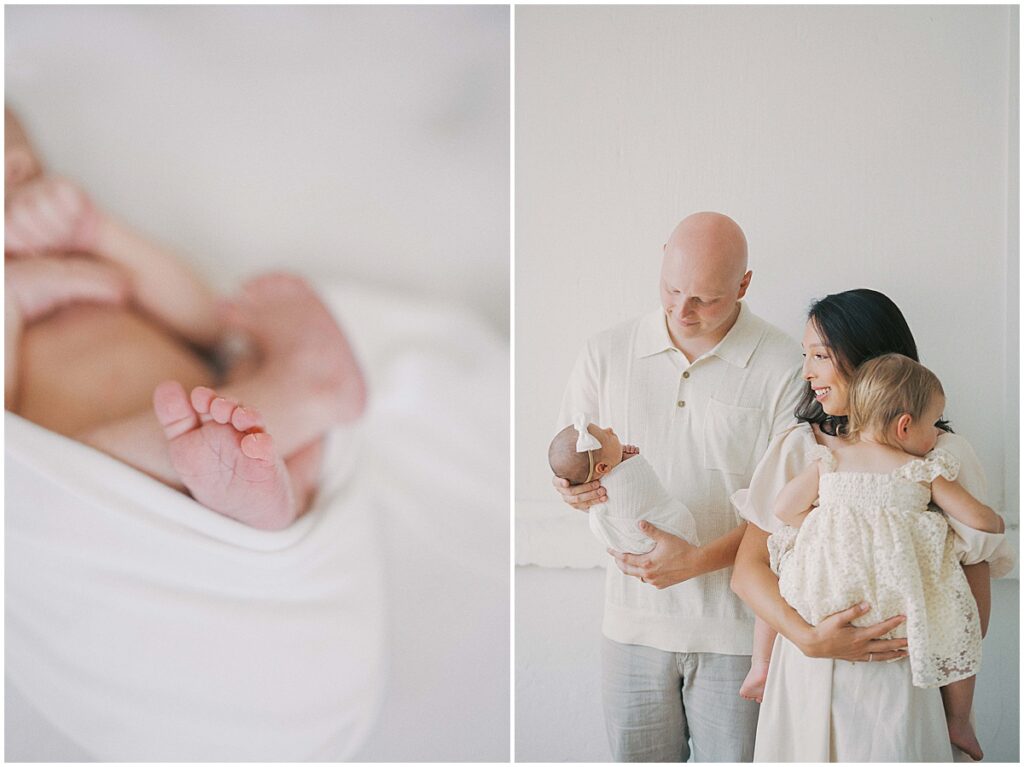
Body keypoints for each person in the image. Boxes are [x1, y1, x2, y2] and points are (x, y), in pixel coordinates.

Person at [5, 106, 366, 529]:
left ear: (17, 170)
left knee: (236, 388)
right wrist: (10, 299)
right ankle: (307, 396)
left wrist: (96, 230)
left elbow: (208, 323)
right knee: (69, 477)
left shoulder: (83, 255)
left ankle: (271, 493)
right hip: (101, 480)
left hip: (221, 414)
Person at [553, 212, 804, 761]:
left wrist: (698, 561)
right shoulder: (605, 352)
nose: (682, 311)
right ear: (663, 254)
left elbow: (792, 515)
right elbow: (574, 466)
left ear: (743, 285)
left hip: (737, 638)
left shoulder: (788, 365)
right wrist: (570, 491)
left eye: (706, 300)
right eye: (672, 289)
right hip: (631, 628)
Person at [730, 289, 1013, 761]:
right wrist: (809, 639)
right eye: (806, 356)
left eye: (820, 356)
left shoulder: (937, 456)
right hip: (804, 668)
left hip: (901, 674)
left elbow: (972, 578)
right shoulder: (804, 450)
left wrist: (940, 655)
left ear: (872, 361)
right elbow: (752, 568)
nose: (807, 372)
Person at [548, 415, 699, 554]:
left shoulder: (609, 466)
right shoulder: (605, 487)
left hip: (679, 546)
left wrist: (624, 456)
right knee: (677, 518)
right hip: (655, 531)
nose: (610, 429)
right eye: (606, 435)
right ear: (603, 468)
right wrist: (570, 489)